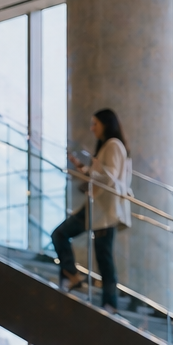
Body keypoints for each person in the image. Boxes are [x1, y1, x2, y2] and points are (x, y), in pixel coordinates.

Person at [52, 108, 132, 310]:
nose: (92, 128)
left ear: (106, 124)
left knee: (102, 257)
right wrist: (83, 167)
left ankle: (107, 302)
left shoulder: (113, 145)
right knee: (100, 255)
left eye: (95, 124)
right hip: (97, 208)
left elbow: (109, 177)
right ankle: (74, 278)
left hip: (103, 209)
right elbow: (104, 174)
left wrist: (90, 173)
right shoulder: (110, 146)